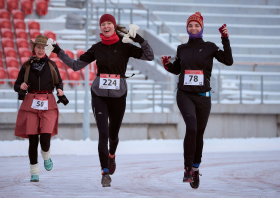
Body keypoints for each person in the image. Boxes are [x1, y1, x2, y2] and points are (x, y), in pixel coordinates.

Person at [51, 14, 154, 187]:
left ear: (114, 26)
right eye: (103, 24)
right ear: (100, 28)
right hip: (99, 95)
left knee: (113, 136)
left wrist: (139, 39)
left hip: (119, 96)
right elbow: (76, 66)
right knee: (103, 134)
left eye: (108, 23)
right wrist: (59, 51)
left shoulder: (125, 46)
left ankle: (111, 155)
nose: (105, 26)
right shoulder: (97, 48)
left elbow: (149, 56)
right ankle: (105, 172)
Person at [161, 12, 233, 189]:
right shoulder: (182, 48)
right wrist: (167, 65)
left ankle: (195, 168)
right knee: (191, 128)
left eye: (196, 25)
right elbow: (178, 70)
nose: (193, 28)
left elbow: (228, 61)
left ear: (201, 28)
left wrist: (225, 39)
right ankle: (187, 168)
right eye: (190, 26)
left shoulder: (210, 47)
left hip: (203, 97)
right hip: (184, 94)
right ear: (187, 28)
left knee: (199, 134)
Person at [14, 35, 66, 182]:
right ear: (34, 48)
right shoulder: (26, 65)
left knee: (45, 138)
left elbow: (59, 83)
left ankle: (46, 155)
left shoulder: (52, 65)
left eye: (43, 47)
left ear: (46, 49)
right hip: (31, 102)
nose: (40, 50)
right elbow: (16, 85)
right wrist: (21, 87)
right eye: (38, 47)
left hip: (48, 103)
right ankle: (34, 172)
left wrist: (60, 90)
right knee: (32, 141)